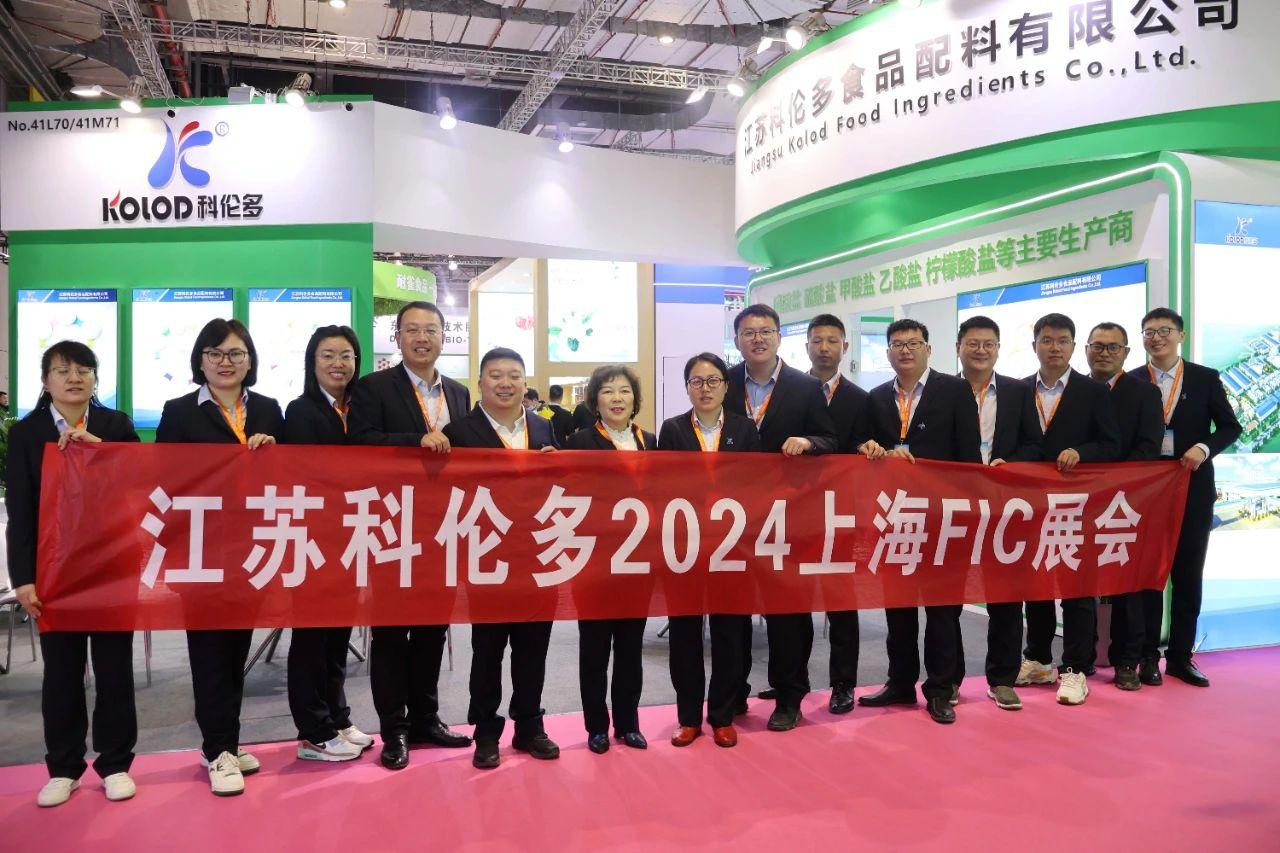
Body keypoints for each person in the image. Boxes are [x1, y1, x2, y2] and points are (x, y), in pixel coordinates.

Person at [6, 341, 140, 807]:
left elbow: (139, 484)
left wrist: (100, 451)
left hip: (111, 567)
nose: (74, 377)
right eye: (62, 370)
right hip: (54, 572)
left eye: (84, 369)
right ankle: (64, 767)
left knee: (114, 670)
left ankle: (116, 764)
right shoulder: (27, 434)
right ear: (46, 381)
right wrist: (24, 577)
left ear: (95, 378)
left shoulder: (116, 425)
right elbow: (21, 512)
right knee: (61, 673)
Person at [156, 318, 284, 796]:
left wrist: (274, 452)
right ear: (201, 360)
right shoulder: (178, 412)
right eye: (214, 353)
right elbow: (164, 480)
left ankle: (227, 742)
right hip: (201, 552)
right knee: (208, 653)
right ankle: (217, 751)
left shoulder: (268, 410)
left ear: (250, 360)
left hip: (252, 550)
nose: (225, 362)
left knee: (235, 652)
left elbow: (290, 478)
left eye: (235, 353)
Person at [347, 301, 472, 770]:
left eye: (431, 330)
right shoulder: (373, 387)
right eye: (412, 330)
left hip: (444, 529)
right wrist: (413, 441)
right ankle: (394, 729)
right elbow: (359, 443)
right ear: (397, 338)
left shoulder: (458, 392)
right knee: (391, 633)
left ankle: (426, 718)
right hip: (392, 527)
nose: (422, 338)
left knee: (433, 631)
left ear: (444, 337)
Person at [859, 319, 981, 724]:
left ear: (928, 349)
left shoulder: (955, 390)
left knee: (942, 610)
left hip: (943, 518)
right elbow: (863, 448)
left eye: (913, 343)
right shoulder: (876, 397)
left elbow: (969, 458)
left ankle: (941, 689)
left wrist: (964, 514)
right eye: (897, 344)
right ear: (888, 352)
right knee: (898, 608)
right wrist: (871, 448)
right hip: (895, 518)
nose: (905, 350)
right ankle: (900, 681)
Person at [444, 347, 561, 770]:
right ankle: (486, 732)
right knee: (488, 651)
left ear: (525, 383)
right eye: (495, 375)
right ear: (480, 383)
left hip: (538, 555)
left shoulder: (543, 428)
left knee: (533, 649)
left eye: (514, 375)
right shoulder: (459, 432)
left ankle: (529, 725)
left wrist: (557, 467)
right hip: (488, 557)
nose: (505, 383)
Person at [726, 304, 837, 732]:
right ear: (737, 339)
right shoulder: (724, 382)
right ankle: (732, 691)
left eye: (765, 331)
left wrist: (808, 442)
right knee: (732, 610)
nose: (757, 339)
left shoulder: (805, 387)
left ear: (778, 336)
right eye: (748, 332)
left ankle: (789, 696)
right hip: (733, 520)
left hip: (788, 518)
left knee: (787, 611)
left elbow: (830, 439)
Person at [1134, 307, 1242, 687]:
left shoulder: (1205, 378)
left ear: (1180, 335)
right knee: (1148, 576)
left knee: (1188, 574)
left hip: (1193, 489)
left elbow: (1230, 426)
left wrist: (1204, 447)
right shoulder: (1132, 380)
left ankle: (1180, 657)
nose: (1156, 338)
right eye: (1149, 332)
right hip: (1146, 494)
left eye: (1164, 330)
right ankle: (1147, 656)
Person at [281, 325, 375, 763]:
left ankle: (338, 717)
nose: (338, 364)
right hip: (314, 541)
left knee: (338, 636)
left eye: (346, 355)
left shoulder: (359, 409)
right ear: (312, 361)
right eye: (328, 355)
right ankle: (313, 731)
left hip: (351, 536)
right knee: (311, 638)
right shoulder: (302, 411)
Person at [1017, 313, 1120, 707]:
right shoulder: (1018, 390)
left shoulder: (1093, 392)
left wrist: (1081, 452)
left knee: (1077, 588)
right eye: (1047, 340)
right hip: (1031, 505)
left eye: (1062, 340)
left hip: (1077, 506)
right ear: (1035, 346)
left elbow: (1111, 445)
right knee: (1036, 587)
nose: (1054, 347)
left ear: (1074, 347)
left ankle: (1076, 667)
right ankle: (1039, 659)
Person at [659, 352, 761, 748]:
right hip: (684, 547)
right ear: (687, 388)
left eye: (713, 380)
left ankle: (722, 715)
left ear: (726, 386)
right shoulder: (672, 430)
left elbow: (754, 484)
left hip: (731, 547)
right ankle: (688, 717)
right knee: (685, 633)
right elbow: (665, 487)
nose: (705, 388)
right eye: (697, 381)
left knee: (729, 633)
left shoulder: (744, 429)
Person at [563, 365, 656, 754]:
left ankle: (628, 723)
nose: (617, 398)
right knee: (595, 649)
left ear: (635, 400)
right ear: (595, 400)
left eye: (624, 391)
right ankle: (596, 727)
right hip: (594, 563)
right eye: (607, 391)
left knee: (631, 648)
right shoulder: (579, 442)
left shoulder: (651, 443)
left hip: (638, 563)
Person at [954, 316, 1044, 711]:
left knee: (1006, 596)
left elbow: (1034, 444)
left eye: (988, 344)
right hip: (956, 507)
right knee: (948, 598)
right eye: (973, 343)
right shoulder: (944, 390)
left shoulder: (1018, 391)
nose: (981, 350)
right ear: (959, 347)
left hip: (1006, 508)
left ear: (998, 348)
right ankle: (948, 680)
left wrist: (1013, 463)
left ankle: (1002, 679)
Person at [1084, 321, 1164, 691]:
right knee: (1079, 581)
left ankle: (1127, 660)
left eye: (1113, 347)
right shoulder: (1075, 390)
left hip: (1127, 503)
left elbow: (1149, 447)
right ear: (1086, 349)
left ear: (1126, 353)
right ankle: (1079, 659)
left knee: (1128, 584)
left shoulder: (1144, 393)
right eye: (1098, 346)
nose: (1104, 353)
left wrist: (1112, 483)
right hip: (1081, 503)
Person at [803, 314, 873, 714]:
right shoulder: (791, 391)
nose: (824, 348)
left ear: (845, 347)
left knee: (842, 604)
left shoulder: (861, 400)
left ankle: (843, 684)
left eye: (832, 341)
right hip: (795, 513)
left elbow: (868, 445)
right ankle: (791, 680)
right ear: (806, 346)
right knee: (791, 603)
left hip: (842, 516)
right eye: (817, 340)